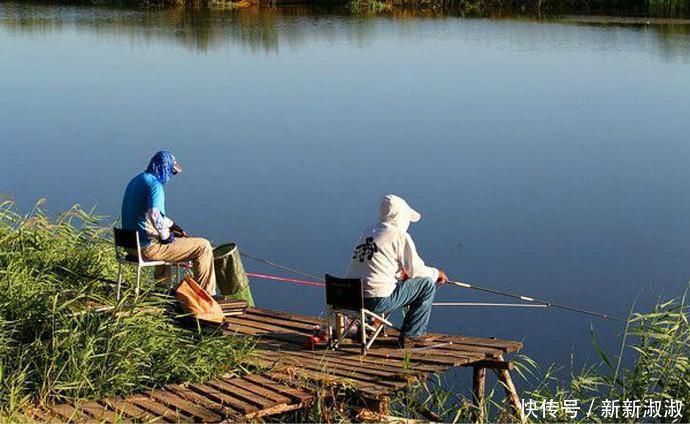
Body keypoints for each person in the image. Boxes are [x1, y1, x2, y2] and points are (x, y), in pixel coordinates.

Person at [345, 194, 448, 347]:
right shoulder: (399, 235)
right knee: (426, 284)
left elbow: (376, 266)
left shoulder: (369, 231)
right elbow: (416, 271)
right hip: (375, 301)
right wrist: (437, 273)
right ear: (401, 217)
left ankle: (366, 324)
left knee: (393, 283)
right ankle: (412, 335)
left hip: (349, 299)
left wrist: (400, 273)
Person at [121, 151, 218, 296]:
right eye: (172, 171)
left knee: (163, 242)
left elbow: (155, 216)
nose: (172, 176)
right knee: (203, 246)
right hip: (147, 248)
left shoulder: (137, 180)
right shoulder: (155, 185)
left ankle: (161, 291)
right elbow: (154, 213)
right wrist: (166, 236)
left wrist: (175, 228)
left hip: (130, 246)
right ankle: (207, 296)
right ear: (164, 168)